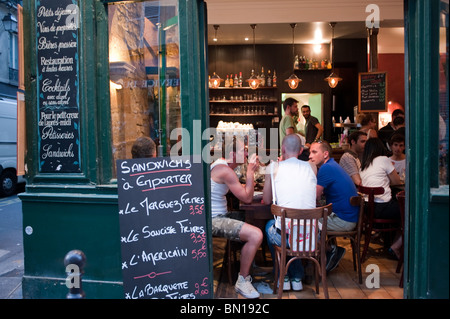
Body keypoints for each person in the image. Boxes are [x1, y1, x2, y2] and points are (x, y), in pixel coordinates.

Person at [262, 134, 317, 291]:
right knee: (294, 229)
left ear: (282, 149)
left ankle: (283, 276)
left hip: (287, 236)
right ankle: (296, 277)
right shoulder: (312, 167)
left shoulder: (273, 167)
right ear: (300, 151)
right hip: (311, 237)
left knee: (271, 226)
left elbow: (266, 200)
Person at [210, 137, 263, 299]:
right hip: (213, 220)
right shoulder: (225, 171)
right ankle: (243, 280)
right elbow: (246, 198)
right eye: (243, 150)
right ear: (233, 154)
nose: (247, 153)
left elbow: (244, 193)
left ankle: (250, 264)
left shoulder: (222, 165)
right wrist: (250, 172)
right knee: (256, 234)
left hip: (220, 215)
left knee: (257, 220)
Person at [309, 140, 360, 272]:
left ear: (325, 154)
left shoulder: (326, 168)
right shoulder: (332, 165)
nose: (310, 156)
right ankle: (327, 253)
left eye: (314, 152)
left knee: (307, 222)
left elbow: (314, 196)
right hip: (347, 217)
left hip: (344, 220)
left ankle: (330, 251)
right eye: (310, 152)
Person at [359, 138, 403, 258]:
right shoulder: (383, 160)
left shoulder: (363, 165)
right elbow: (396, 181)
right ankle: (395, 246)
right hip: (382, 208)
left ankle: (389, 243)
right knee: (409, 211)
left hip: (367, 209)